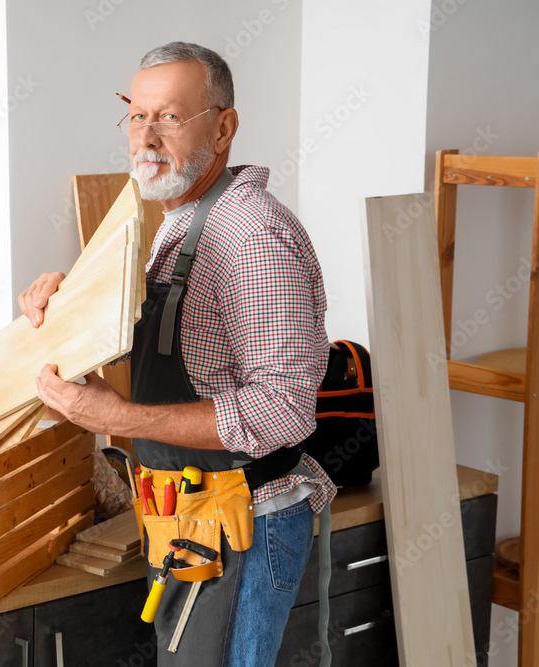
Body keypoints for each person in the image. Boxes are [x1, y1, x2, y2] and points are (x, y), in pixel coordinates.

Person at [19, 42, 337, 666]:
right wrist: (66, 306)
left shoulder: (253, 237)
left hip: (245, 522)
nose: (147, 136)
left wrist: (116, 419)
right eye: (137, 116)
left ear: (223, 128)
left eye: (170, 117)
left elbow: (282, 412)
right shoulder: (179, 221)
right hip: (187, 514)